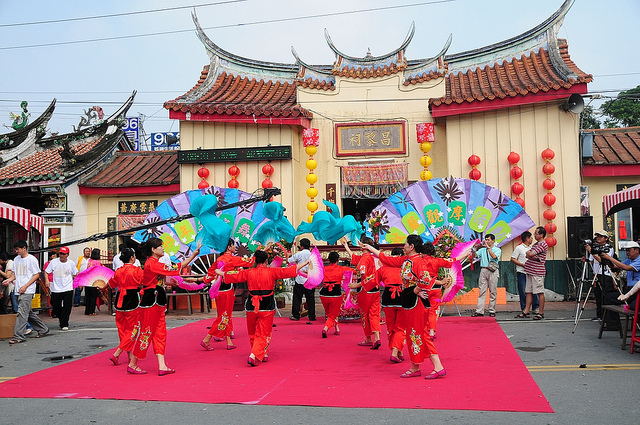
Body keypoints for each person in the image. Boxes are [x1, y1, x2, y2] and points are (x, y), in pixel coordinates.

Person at [216, 249, 307, 366]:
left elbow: (234, 275)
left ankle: (263, 352)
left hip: (251, 306)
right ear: (266, 261)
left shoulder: (248, 272)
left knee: (252, 332)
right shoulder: (272, 271)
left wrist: (220, 272)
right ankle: (254, 354)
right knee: (264, 332)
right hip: (266, 306)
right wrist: (305, 263)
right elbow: (289, 270)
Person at [132, 237, 200, 375]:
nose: (163, 248)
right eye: (160, 246)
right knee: (147, 332)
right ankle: (133, 363)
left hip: (157, 300)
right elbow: (176, 268)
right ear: (153, 250)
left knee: (160, 332)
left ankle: (162, 365)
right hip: (151, 300)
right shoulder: (152, 263)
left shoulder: (154, 263)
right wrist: (192, 255)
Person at [397, 235, 449, 379]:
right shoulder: (409, 260)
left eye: (405, 244)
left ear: (412, 246)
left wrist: (416, 290)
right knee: (412, 334)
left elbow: (426, 279)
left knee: (420, 333)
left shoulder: (418, 262)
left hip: (416, 303)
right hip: (410, 300)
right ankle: (415, 366)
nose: (404, 246)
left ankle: (438, 366)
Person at [198, 239, 254, 351]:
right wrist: (260, 251)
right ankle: (207, 339)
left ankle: (229, 341)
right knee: (224, 316)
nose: (235, 248)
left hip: (218, 291)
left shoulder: (219, 259)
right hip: (228, 291)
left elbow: (210, 275)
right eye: (234, 245)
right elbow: (250, 262)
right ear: (229, 247)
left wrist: (198, 280)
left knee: (224, 315)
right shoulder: (232, 259)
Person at [107, 247, 144, 372]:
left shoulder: (118, 271)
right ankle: (117, 353)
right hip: (132, 299)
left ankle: (129, 355)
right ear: (132, 257)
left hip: (119, 300)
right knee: (133, 329)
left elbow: (111, 284)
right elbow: (144, 283)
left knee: (122, 328)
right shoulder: (137, 270)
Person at [343, 236, 382, 349]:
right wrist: (346, 246)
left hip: (365, 289)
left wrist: (356, 285)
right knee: (374, 314)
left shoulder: (364, 259)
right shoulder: (374, 257)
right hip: (376, 288)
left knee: (365, 314)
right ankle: (377, 337)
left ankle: (369, 338)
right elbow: (354, 258)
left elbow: (364, 274)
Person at [7, 240, 49, 344]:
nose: (16, 251)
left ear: (24, 248)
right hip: (18, 289)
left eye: (18, 249)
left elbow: (36, 275)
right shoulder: (16, 259)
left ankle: (18, 336)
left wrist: (25, 286)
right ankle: (43, 328)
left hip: (27, 290)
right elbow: (15, 274)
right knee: (27, 312)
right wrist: (8, 280)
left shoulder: (32, 259)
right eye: (15, 249)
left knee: (21, 313)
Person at [376, 247, 405, 362]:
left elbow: (372, 280)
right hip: (402, 297)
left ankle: (399, 351)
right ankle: (395, 352)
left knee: (391, 327)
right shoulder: (405, 268)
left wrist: (357, 285)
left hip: (388, 297)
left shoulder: (383, 269)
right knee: (401, 327)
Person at [585, 230, 616, 324]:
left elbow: (602, 260)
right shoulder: (595, 247)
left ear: (606, 238)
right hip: (596, 274)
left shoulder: (608, 248)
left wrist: (591, 251)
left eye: (601, 236)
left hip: (606, 274)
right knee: (598, 295)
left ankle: (607, 317)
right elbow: (591, 260)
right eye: (597, 236)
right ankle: (599, 315)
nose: (598, 238)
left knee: (605, 295)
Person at [518, 226, 548, 320]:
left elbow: (530, 254)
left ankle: (540, 312)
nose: (534, 235)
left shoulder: (543, 245)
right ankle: (526, 311)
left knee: (539, 292)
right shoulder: (535, 244)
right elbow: (528, 254)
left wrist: (532, 255)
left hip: (537, 272)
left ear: (541, 234)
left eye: (536, 233)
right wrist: (532, 255)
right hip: (530, 271)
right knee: (528, 292)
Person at [44, 247, 77, 330]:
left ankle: (64, 323)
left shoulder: (71, 263)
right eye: (60, 253)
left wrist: (78, 282)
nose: (61, 255)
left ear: (67, 255)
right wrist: (47, 280)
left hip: (68, 287)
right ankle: (60, 316)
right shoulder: (54, 262)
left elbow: (75, 273)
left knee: (67, 306)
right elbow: (46, 271)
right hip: (56, 288)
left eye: (64, 254)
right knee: (55, 305)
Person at [601, 241, 640, 311]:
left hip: (637, 290)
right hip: (630, 289)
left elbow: (626, 268)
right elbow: (616, 266)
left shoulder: (639, 260)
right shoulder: (629, 260)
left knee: (632, 306)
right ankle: (612, 321)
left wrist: (610, 258)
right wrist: (607, 260)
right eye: (626, 251)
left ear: (636, 250)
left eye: (629, 250)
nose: (627, 253)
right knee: (609, 297)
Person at [319, 251, 350, 338]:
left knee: (329, 313)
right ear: (338, 260)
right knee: (332, 315)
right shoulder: (341, 268)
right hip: (335, 294)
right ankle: (325, 328)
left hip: (324, 294)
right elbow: (354, 271)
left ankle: (337, 328)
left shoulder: (324, 268)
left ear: (328, 260)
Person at [472, 234, 501, 317]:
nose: (486, 241)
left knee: (493, 291)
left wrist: (488, 248)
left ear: (493, 240)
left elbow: (494, 257)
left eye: (488, 240)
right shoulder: (482, 250)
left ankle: (492, 310)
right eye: (486, 240)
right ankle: (479, 311)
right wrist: (474, 248)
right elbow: (475, 256)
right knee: (482, 291)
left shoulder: (497, 249)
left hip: (493, 270)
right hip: (483, 269)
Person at [511, 231, 539, 314]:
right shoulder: (519, 248)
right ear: (527, 238)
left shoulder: (532, 248)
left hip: (531, 272)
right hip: (522, 272)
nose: (532, 239)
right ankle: (524, 307)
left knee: (534, 290)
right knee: (523, 291)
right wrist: (522, 265)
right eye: (531, 238)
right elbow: (513, 258)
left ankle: (535, 307)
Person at [288, 238, 314, 321]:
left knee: (297, 298)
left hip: (300, 279)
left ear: (302, 246)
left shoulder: (299, 254)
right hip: (309, 279)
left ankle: (296, 315)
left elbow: (289, 261)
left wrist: (288, 255)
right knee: (310, 299)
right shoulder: (312, 255)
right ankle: (312, 316)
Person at [84, 248, 103, 316]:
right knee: (93, 297)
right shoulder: (97, 262)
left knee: (88, 296)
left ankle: (87, 311)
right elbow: (98, 272)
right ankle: (92, 311)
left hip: (87, 280)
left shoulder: (89, 261)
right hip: (93, 281)